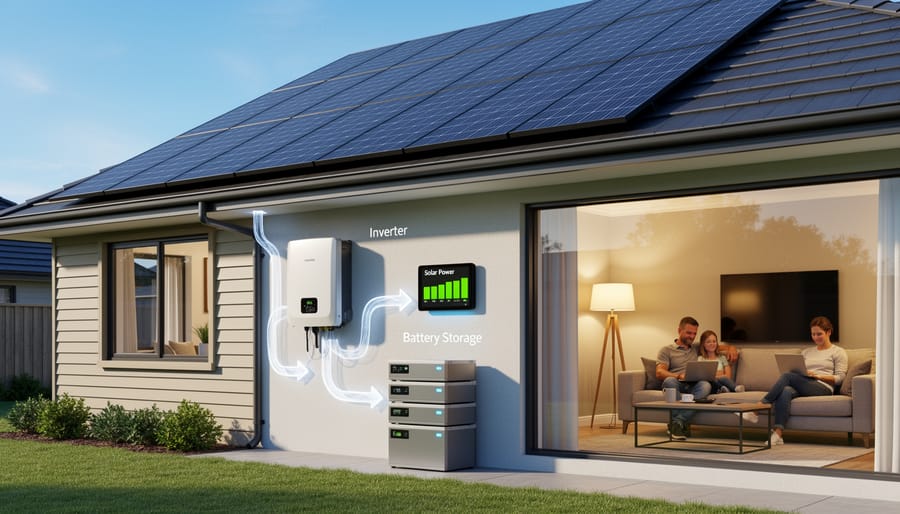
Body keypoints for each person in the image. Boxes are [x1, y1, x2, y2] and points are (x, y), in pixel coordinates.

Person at [761, 316, 848, 446]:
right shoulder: (807, 352)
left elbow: (840, 378)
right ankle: (778, 434)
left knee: (787, 376)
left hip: (824, 387)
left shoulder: (838, 352)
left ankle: (761, 405)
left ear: (829, 332)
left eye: (819, 334)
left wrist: (818, 376)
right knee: (785, 391)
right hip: (806, 384)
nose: (815, 337)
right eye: (813, 334)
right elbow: (800, 370)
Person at [656, 316, 737, 440]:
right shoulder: (667, 350)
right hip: (677, 382)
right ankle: (679, 423)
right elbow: (660, 372)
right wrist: (678, 375)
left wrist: (731, 348)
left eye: (694, 333)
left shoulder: (696, 347)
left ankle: (677, 422)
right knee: (669, 381)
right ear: (679, 330)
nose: (692, 336)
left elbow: (716, 346)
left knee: (706, 385)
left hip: (695, 384)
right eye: (689, 333)